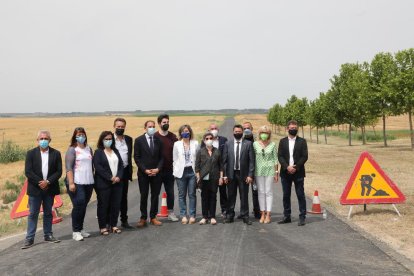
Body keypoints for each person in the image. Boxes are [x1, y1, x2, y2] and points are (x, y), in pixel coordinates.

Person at [22, 130, 62, 249]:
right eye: (41, 138)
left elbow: (59, 171)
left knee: (48, 213)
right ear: (37, 140)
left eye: (46, 138)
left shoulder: (56, 153)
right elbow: (28, 171)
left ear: (50, 140)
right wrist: (40, 182)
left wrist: (48, 182)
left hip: (50, 188)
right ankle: (29, 239)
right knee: (33, 213)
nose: (43, 141)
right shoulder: (31, 153)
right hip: (35, 189)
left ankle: (48, 235)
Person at [65, 127, 95, 241]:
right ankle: (75, 231)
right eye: (78, 135)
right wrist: (71, 183)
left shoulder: (89, 149)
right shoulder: (72, 149)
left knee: (83, 206)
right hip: (77, 182)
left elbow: (91, 165)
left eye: (82, 134)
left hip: (88, 181)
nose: (81, 137)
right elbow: (68, 168)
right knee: (78, 205)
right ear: (74, 136)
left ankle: (81, 229)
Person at [277, 120, 308, 226]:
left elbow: (305, 156)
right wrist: (287, 167)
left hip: (298, 172)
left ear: (297, 128)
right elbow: (280, 156)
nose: (293, 129)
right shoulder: (282, 141)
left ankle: (302, 216)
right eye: (291, 128)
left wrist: (296, 167)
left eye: (295, 128)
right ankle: (287, 216)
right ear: (287, 128)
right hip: (285, 172)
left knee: (300, 195)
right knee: (286, 195)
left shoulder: (302, 141)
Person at [223, 124, 255, 225]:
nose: (238, 133)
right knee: (231, 196)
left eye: (239, 131)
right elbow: (225, 161)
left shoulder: (248, 144)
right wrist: (225, 175)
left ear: (242, 132)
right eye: (236, 132)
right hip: (231, 174)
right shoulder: (228, 144)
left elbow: (251, 161)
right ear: (233, 132)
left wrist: (250, 175)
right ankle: (230, 216)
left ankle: (245, 216)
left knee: (244, 196)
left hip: (244, 174)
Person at [134, 120, 164, 227]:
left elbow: (162, 157)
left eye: (153, 126)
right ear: (145, 128)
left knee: (155, 195)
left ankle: (153, 217)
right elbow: (136, 157)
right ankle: (143, 218)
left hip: (156, 173)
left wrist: (158, 169)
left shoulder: (159, 140)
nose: (152, 128)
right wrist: (145, 170)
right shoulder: (139, 140)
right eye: (149, 126)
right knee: (144, 195)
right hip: (144, 174)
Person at [94, 131, 124, 235]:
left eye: (110, 139)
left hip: (117, 183)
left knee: (115, 205)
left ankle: (114, 225)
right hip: (103, 183)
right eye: (106, 139)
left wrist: (119, 176)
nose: (108, 141)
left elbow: (121, 165)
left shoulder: (115, 151)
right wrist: (110, 178)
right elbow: (98, 168)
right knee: (103, 205)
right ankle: (103, 226)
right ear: (102, 140)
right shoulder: (98, 152)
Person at [195, 132, 224, 225]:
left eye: (210, 138)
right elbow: (197, 166)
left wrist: (221, 177)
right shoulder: (200, 151)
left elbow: (221, 166)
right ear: (204, 140)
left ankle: (212, 216)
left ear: (213, 139)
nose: (209, 140)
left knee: (213, 197)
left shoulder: (217, 151)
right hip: (203, 178)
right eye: (206, 139)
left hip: (214, 178)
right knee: (204, 197)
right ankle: (204, 217)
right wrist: (198, 178)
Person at [173, 124, 198, 225]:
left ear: (190, 132)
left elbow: (198, 158)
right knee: (181, 195)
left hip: (192, 172)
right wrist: (175, 171)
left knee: (192, 194)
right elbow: (174, 159)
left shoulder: (195, 143)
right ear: (180, 133)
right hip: (181, 172)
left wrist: (198, 172)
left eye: (187, 131)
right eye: (183, 131)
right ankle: (183, 215)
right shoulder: (177, 144)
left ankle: (192, 215)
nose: (185, 133)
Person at [155, 114, 179, 222]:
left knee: (170, 192)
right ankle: (153, 215)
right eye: (164, 122)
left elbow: (178, 153)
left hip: (170, 170)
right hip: (158, 170)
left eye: (167, 122)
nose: (166, 124)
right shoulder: (154, 136)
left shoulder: (173, 137)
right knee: (155, 192)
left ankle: (171, 212)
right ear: (159, 123)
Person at [200, 123, 228, 218]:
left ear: (218, 129)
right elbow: (201, 157)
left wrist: (224, 174)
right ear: (209, 130)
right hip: (208, 173)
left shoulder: (224, 140)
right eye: (212, 128)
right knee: (210, 194)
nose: (214, 130)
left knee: (223, 192)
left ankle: (224, 210)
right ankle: (208, 213)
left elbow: (226, 156)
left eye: (215, 128)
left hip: (221, 170)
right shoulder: (204, 141)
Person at [253, 125, 279, 224]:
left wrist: (276, 172)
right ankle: (262, 213)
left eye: (266, 133)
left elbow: (275, 159)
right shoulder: (255, 144)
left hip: (269, 170)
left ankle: (268, 214)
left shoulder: (272, 144)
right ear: (259, 134)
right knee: (261, 192)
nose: (264, 135)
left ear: (269, 134)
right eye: (263, 132)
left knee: (268, 192)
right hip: (258, 170)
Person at [113, 118, 134, 229]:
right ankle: (111, 223)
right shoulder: (109, 138)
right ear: (114, 126)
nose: (120, 128)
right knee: (113, 197)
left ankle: (124, 221)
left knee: (123, 197)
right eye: (118, 126)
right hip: (114, 172)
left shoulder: (129, 139)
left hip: (125, 171)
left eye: (122, 127)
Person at [242, 121, 260, 219]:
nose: (246, 130)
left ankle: (257, 211)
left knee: (255, 191)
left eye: (248, 128)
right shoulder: (241, 139)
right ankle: (243, 212)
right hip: (244, 171)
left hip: (255, 170)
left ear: (252, 129)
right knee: (243, 192)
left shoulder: (257, 140)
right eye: (244, 128)